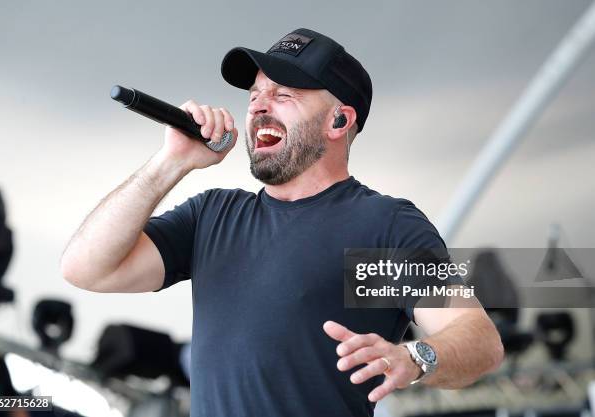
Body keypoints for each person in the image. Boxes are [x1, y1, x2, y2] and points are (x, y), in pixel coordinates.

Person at [61, 28, 504, 417]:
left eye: (283, 94)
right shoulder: (212, 216)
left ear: (339, 120)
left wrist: (414, 358)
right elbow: (86, 268)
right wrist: (169, 163)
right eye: (254, 94)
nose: (258, 107)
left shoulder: (381, 226)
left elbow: (480, 341)